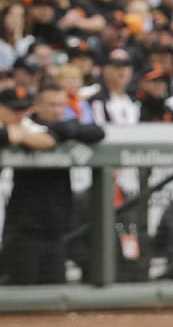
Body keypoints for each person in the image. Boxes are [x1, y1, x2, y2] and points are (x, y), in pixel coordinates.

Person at [0, 83, 105, 285]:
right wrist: (22, 134)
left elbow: (96, 132)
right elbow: (16, 135)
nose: (57, 110)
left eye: (60, 105)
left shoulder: (51, 127)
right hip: (23, 227)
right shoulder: (29, 125)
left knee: (54, 290)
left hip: (56, 227)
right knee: (20, 292)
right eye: (51, 105)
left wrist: (57, 131)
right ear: (37, 105)